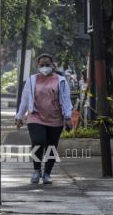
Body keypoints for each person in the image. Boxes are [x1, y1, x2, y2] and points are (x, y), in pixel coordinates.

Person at [15, 53, 73, 184]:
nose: (45, 67)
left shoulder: (61, 81)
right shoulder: (31, 80)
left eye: (48, 65)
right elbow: (24, 99)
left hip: (55, 119)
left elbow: (66, 100)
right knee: (38, 141)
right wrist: (19, 116)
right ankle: (36, 171)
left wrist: (68, 117)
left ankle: (47, 173)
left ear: (53, 65)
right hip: (35, 117)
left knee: (51, 146)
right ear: (38, 66)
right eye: (42, 65)